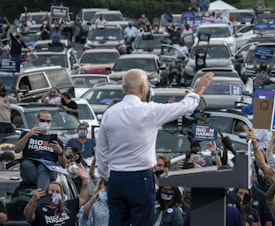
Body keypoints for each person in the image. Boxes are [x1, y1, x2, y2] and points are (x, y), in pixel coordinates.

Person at [96, 69, 214, 226]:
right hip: (140, 179)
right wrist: (199, 89)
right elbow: (185, 107)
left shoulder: (109, 114)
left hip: (116, 178)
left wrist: (107, 177)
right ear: (144, 88)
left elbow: (101, 152)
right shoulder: (149, 111)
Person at [14, 110, 67, 190]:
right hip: (29, 169)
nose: (45, 123)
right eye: (42, 120)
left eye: (48, 121)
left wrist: (60, 152)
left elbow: (63, 165)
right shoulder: (27, 134)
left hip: (48, 170)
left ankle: (41, 194)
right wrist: (27, 136)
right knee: (25, 163)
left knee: (43, 166)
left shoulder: (57, 141)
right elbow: (16, 150)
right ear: (36, 120)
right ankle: (44, 191)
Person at [23, 168, 89, 225]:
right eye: (52, 191)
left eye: (57, 192)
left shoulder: (69, 206)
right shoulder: (39, 209)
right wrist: (33, 200)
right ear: (46, 193)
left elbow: (83, 199)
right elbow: (28, 216)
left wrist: (85, 181)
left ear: (61, 195)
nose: (54, 193)